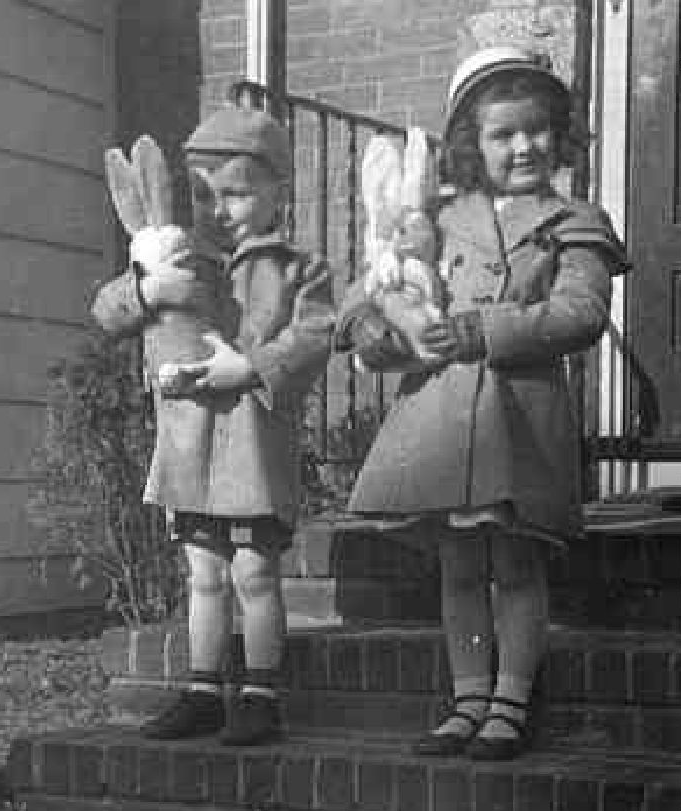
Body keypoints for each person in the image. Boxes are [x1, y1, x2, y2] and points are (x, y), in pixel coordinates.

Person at [336, 47, 630, 761]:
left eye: (536, 130)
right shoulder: (433, 217)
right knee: (461, 564)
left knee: (517, 563)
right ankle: (467, 698)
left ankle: (510, 701)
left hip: (518, 417)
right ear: (472, 144)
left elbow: (581, 313)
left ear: (559, 135)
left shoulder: (573, 220)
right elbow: (362, 300)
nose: (524, 146)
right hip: (441, 417)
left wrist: (479, 328)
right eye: (503, 134)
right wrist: (387, 333)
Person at [90, 107, 335, 745]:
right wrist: (148, 290)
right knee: (203, 573)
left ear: (278, 191)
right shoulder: (177, 256)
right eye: (205, 194)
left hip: (253, 447)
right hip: (189, 448)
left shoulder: (296, 268)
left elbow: (313, 337)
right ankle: (202, 688)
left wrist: (250, 368)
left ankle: (259, 694)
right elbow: (107, 310)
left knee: (253, 572)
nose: (218, 209)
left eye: (236, 193)